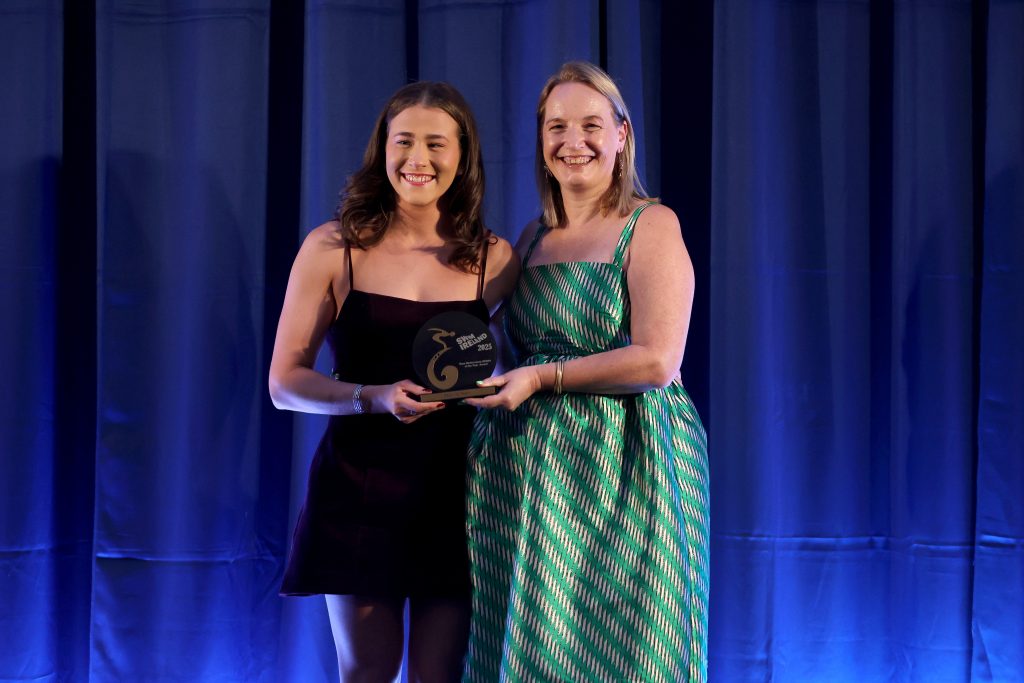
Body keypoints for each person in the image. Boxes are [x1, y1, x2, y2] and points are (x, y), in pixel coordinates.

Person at [462, 61, 710, 682]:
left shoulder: (650, 225)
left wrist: (543, 378)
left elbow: (658, 360)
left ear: (622, 135)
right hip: (529, 473)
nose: (574, 142)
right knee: (533, 645)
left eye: (592, 125)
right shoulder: (532, 238)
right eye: (557, 127)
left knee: (632, 647)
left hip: (628, 465)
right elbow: (480, 330)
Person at [268, 81, 517, 683]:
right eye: (404, 141)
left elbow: (513, 364)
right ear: (382, 149)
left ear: (464, 156)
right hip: (358, 488)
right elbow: (284, 382)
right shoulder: (333, 248)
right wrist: (370, 397)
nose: (419, 159)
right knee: (367, 673)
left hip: (456, 492)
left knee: (440, 676)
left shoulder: (495, 258)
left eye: (437, 144)